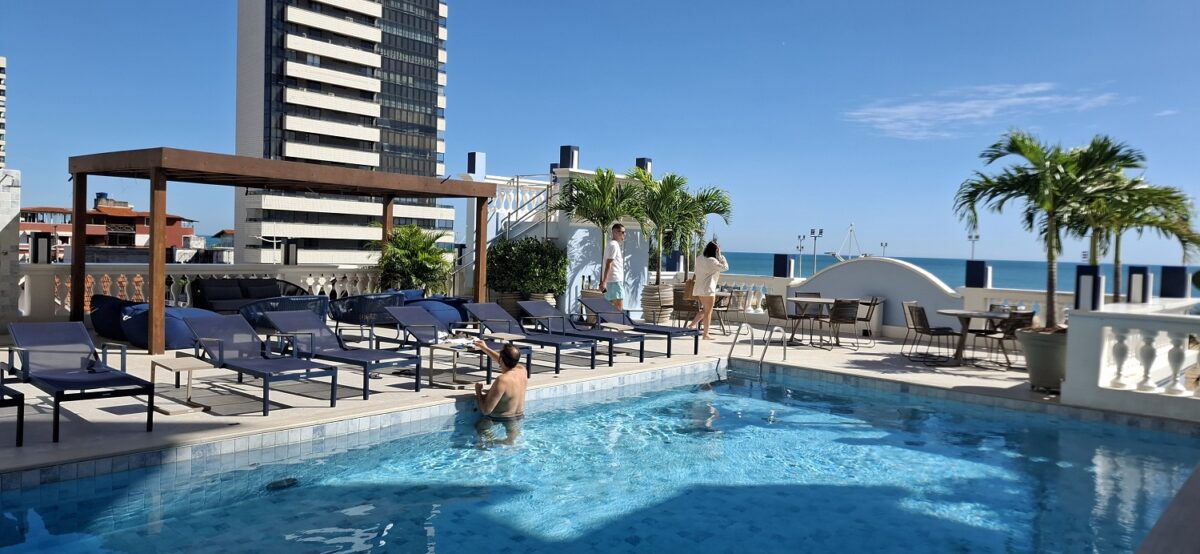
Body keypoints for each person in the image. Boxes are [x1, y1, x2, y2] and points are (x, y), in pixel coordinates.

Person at [473, 340, 528, 445]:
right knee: (512, 440)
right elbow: (503, 360)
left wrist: (478, 392)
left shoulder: (502, 380)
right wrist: (485, 348)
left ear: (502, 360)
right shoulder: (522, 370)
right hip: (518, 417)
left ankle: (492, 443)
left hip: (500, 417)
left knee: (480, 427)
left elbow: (486, 410)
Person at [687, 241, 730, 339]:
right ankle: (706, 334)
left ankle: (691, 325)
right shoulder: (712, 261)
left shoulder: (699, 258)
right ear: (715, 250)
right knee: (708, 311)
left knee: (705, 310)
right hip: (708, 289)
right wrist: (721, 255)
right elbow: (725, 267)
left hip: (699, 288)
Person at [599, 223, 626, 310]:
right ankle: (617, 323)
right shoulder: (614, 245)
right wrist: (604, 282)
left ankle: (608, 323)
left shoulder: (611, 244)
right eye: (622, 232)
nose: (623, 234)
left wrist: (605, 281)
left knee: (610, 308)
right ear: (615, 232)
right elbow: (608, 263)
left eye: (624, 232)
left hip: (612, 281)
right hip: (615, 281)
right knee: (619, 307)